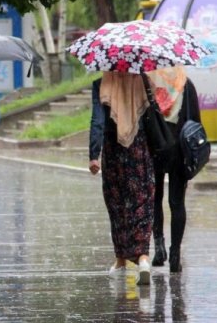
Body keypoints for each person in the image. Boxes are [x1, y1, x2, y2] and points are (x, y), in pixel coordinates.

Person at [88, 72, 155, 285]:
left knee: (117, 205)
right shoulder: (143, 81)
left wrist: (93, 154)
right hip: (139, 149)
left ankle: (121, 261)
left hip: (113, 150)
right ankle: (143, 258)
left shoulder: (101, 84)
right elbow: (153, 115)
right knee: (142, 202)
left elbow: (97, 120)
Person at [147, 68, 201, 273]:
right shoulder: (186, 84)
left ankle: (159, 248)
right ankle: (175, 254)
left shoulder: (148, 83)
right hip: (179, 149)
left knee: (155, 200)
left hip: (154, 148)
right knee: (177, 202)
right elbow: (195, 121)